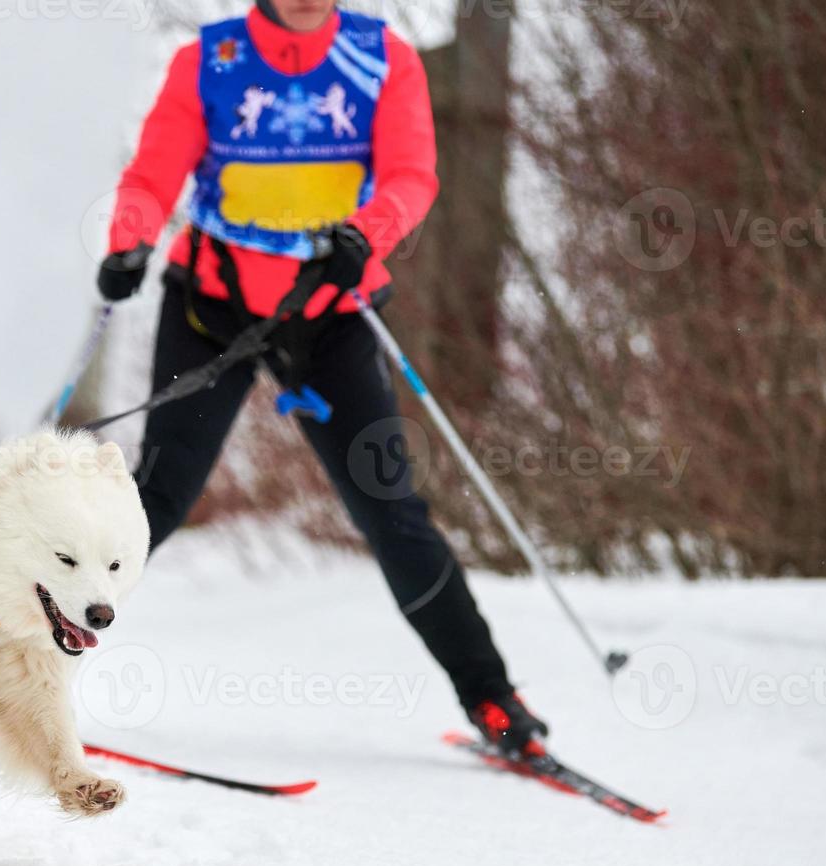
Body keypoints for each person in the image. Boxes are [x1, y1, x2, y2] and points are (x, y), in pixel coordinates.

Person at [96, 0, 548, 753]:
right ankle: (7, 664)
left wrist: (364, 237)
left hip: (330, 312)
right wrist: (129, 244)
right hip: (214, 306)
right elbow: (152, 176)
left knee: (391, 511)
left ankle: (493, 701)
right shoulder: (211, 61)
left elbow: (412, 177)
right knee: (155, 500)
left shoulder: (381, 59)